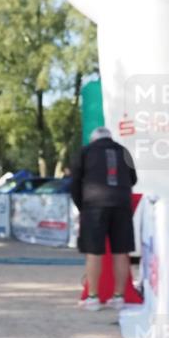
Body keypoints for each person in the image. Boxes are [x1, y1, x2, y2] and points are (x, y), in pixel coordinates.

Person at [70, 126, 138, 311]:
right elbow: (133, 179)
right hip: (122, 205)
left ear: (93, 140)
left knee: (94, 252)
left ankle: (93, 297)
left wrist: (81, 207)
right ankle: (119, 297)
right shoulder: (124, 151)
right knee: (121, 252)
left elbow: (74, 182)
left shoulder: (85, 152)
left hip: (94, 206)